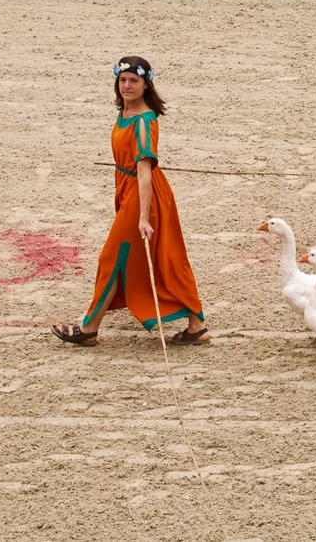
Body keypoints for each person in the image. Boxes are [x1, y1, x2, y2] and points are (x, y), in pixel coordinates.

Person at [52, 57, 209, 346]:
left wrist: (142, 216)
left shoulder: (143, 122)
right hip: (129, 189)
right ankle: (196, 325)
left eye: (134, 81)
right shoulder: (126, 113)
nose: (127, 86)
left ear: (146, 84)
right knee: (164, 256)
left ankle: (89, 329)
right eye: (123, 80)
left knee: (113, 258)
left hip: (142, 195)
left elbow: (145, 173)